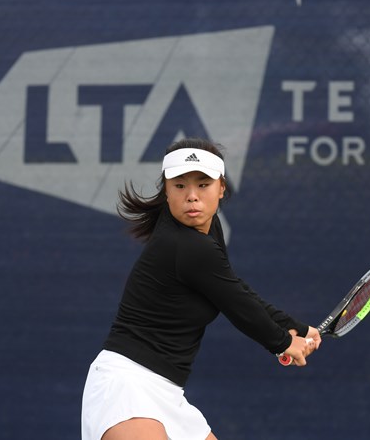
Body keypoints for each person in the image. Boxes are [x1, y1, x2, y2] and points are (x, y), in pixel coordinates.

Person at [81, 138, 321, 440]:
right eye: (180, 186)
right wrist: (281, 342)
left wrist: (295, 327)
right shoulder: (187, 245)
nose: (192, 197)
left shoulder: (208, 229)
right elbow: (236, 304)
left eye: (203, 185)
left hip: (167, 392)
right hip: (126, 387)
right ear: (166, 192)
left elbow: (232, 289)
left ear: (221, 188)